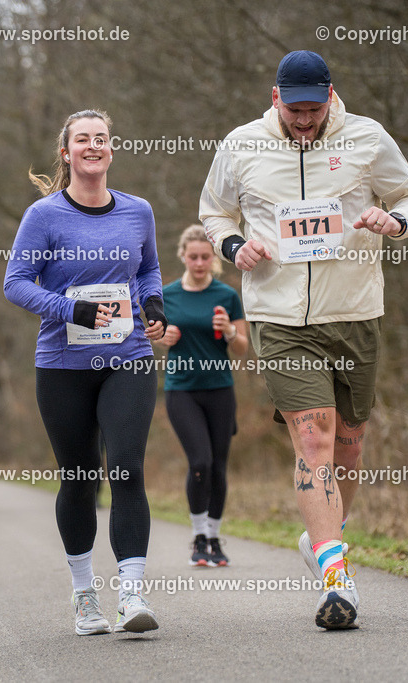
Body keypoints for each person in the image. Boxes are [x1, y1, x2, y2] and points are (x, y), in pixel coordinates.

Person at [200, 50, 408, 629]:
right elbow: (215, 213)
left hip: (354, 313)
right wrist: (234, 248)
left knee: (350, 443)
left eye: (314, 108)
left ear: (330, 94)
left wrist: (394, 222)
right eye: (294, 109)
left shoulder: (368, 137)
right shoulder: (242, 144)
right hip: (278, 316)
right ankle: (335, 576)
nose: (305, 120)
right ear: (275, 98)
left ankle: (323, 538)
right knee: (316, 437)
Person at [4, 109, 166, 636]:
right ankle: (83, 596)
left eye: (101, 138)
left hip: (128, 358)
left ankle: (132, 594)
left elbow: (147, 269)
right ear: (66, 153)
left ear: (111, 150)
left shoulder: (138, 211)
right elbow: (16, 282)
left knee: (126, 467)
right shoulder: (44, 216)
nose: (93, 146)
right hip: (63, 366)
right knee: (79, 478)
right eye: (82, 140)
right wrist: (65, 308)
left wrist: (156, 305)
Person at [155, 225, 248, 568]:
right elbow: (151, 334)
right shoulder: (166, 295)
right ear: (182, 256)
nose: (199, 262)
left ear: (214, 259)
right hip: (182, 390)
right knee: (200, 463)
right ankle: (197, 536)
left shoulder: (227, 295)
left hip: (220, 390)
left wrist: (230, 332)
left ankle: (214, 538)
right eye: (193, 256)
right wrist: (162, 338)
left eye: (205, 257)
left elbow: (241, 349)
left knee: (219, 467)